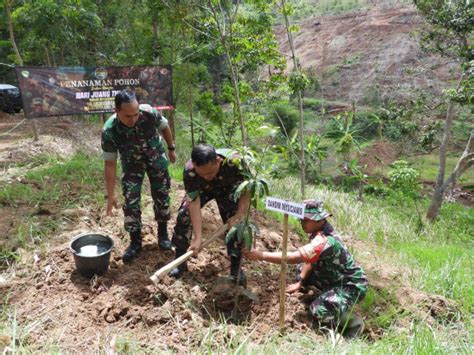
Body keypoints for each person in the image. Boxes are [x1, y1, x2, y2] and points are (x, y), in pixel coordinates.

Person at [244, 200, 368, 338]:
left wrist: (260, 255)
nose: (302, 223)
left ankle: (352, 323)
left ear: (319, 220)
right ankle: (327, 299)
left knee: (318, 310)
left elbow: (291, 257)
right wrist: (300, 282)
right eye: (301, 220)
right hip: (333, 278)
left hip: (351, 285)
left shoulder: (325, 241)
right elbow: (310, 260)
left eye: (306, 220)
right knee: (300, 269)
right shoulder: (318, 232)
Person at [101, 89, 176, 262]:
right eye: (128, 116)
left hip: (156, 157)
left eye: (136, 114)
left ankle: (163, 235)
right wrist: (111, 194)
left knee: (162, 195)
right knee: (131, 200)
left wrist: (171, 148)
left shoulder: (149, 113)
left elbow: (164, 127)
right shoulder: (110, 131)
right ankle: (135, 242)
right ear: (117, 111)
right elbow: (110, 164)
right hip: (132, 164)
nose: (133, 119)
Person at [170, 144, 249, 284]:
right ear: (194, 165)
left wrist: (240, 213)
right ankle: (180, 261)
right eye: (203, 174)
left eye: (210, 173)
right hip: (204, 191)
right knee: (184, 214)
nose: (207, 177)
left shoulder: (235, 162)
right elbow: (193, 202)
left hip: (229, 189)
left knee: (237, 226)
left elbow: (247, 187)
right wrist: (198, 237)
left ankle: (236, 269)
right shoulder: (190, 171)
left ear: (217, 161)